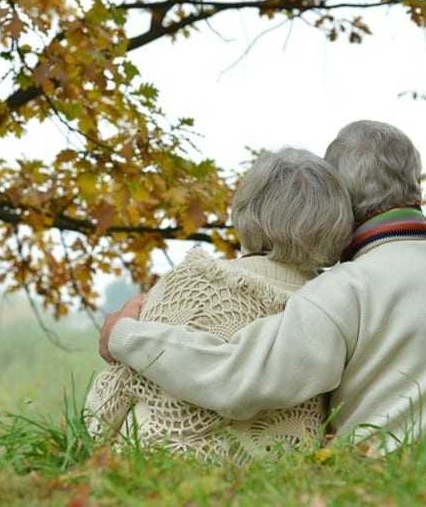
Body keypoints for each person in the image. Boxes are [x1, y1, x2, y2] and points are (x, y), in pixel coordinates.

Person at [99, 120, 426, 460]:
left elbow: (242, 378)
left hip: (390, 485)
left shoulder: (349, 287)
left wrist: (125, 335)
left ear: (341, 200)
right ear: (414, 183)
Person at [85, 148, 354, 462]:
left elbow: (109, 404)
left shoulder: (190, 283)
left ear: (245, 211)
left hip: (153, 472)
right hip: (274, 486)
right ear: (337, 226)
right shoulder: (334, 308)